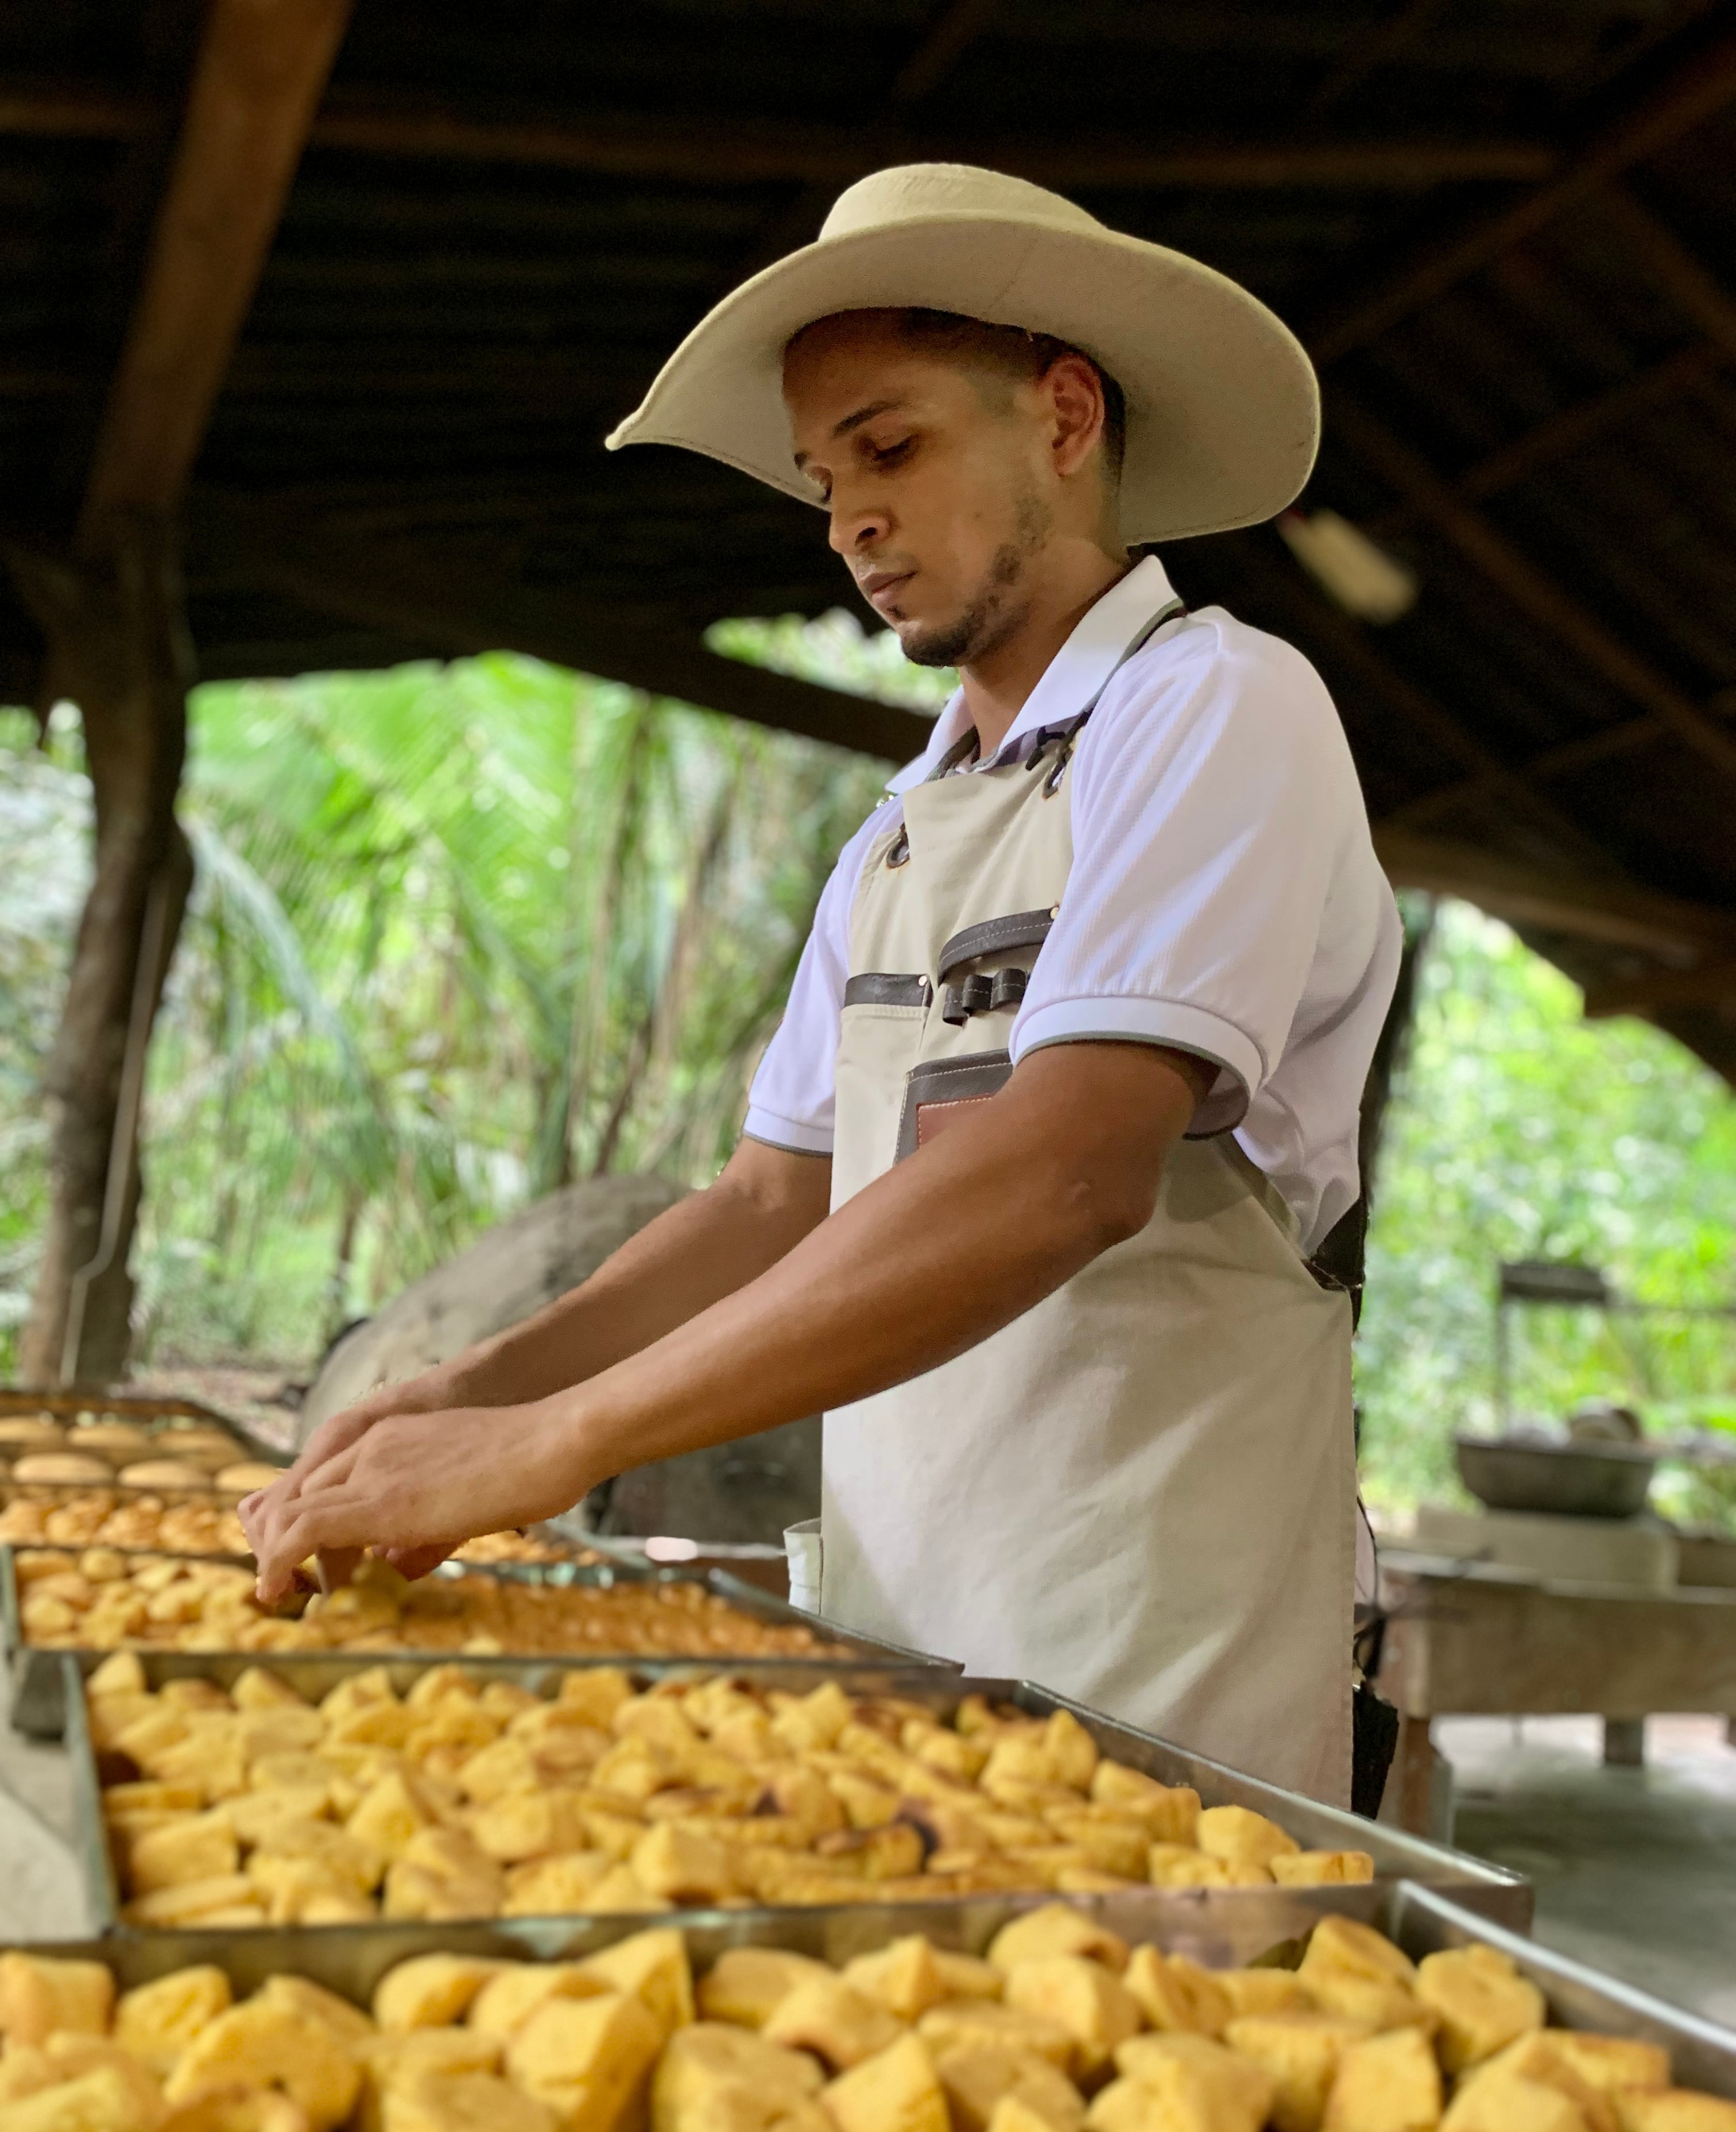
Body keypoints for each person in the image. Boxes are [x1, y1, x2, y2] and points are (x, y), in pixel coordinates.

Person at [246, 164, 1400, 1804]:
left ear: (1066, 417)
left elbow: (1071, 1169)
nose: (849, 519)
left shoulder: (1216, 708)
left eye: (892, 447)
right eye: (823, 478)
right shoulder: (903, 834)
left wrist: (559, 1442)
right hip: (895, 1657)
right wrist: (473, 1388)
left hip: (1153, 1675)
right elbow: (768, 1202)